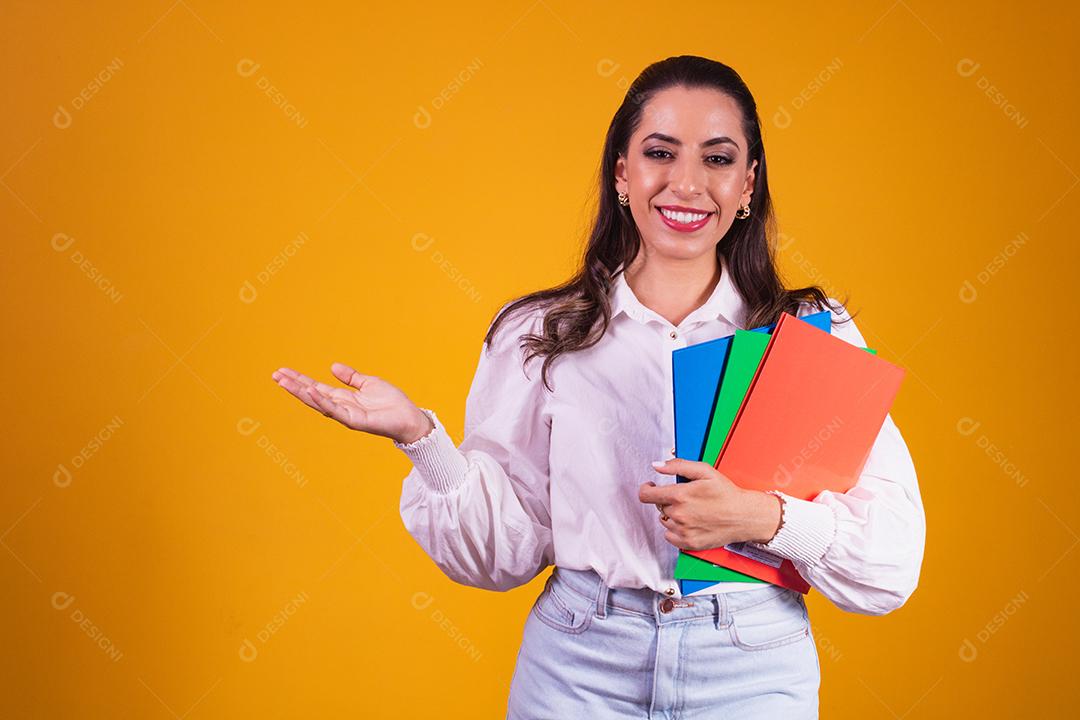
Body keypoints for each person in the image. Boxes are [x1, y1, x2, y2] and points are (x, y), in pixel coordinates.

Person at [271, 55, 926, 719]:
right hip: (580, 668)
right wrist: (421, 439)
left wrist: (761, 518)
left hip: (751, 665)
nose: (687, 183)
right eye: (660, 153)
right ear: (621, 173)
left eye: (718, 159)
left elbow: (889, 566)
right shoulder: (542, 333)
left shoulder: (809, 334)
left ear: (748, 183)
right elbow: (499, 558)